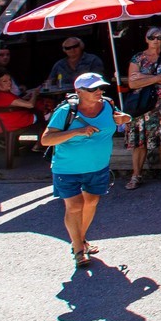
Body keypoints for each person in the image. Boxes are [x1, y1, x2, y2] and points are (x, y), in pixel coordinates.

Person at [41, 72, 131, 269]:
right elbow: (46, 139)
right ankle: (79, 249)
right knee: (74, 206)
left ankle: (80, 240)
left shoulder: (107, 104)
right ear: (79, 92)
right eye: (93, 89)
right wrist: (76, 131)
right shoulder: (66, 111)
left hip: (98, 166)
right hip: (67, 168)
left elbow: (120, 118)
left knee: (91, 202)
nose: (99, 91)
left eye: (100, 87)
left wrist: (124, 118)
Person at [124, 27, 161, 190]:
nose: (156, 40)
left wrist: (143, 77)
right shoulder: (138, 57)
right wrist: (157, 78)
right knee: (139, 140)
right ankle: (136, 175)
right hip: (143, 104)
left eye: (160, 37)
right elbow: (132, 82)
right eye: (152, 37)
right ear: (146, 38)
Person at [0, 68, 38, 153]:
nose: (9, 83)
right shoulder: (4, 96)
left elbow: (14, 102)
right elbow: (30, 105)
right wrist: (35, 95)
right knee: (42, 116)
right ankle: (40, 144)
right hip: (12, 124)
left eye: (9, 80)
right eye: (4, 81)